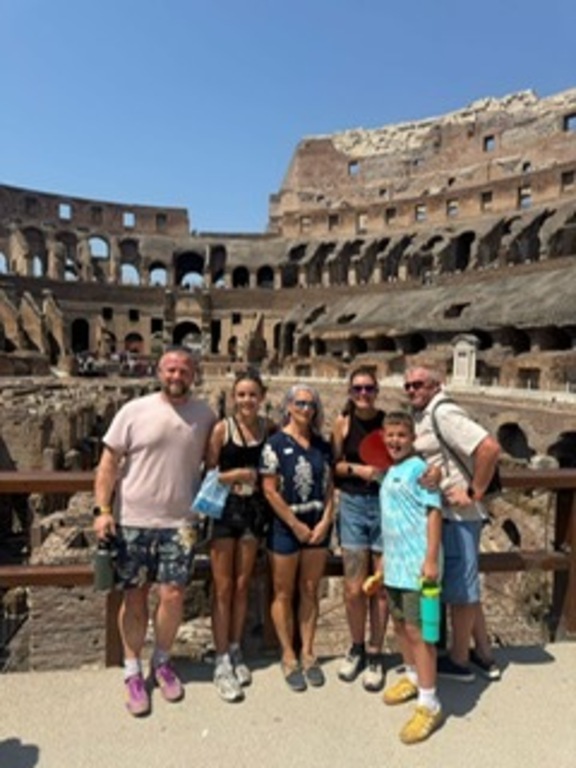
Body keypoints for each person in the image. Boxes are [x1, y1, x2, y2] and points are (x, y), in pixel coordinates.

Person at [93, 347, 216, 717]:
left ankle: (162, 661)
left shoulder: (206, 415)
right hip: (133, 519)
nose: (176, 376)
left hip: (181, 523)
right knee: (134, 598)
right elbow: (108, 463)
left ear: (194, 374)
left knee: (173, 595)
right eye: (170, 369)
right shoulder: (133, 411)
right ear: (159, 372)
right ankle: (132, 670)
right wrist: (102, 510)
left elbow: (214, 466)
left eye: (184, 370)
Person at [404, 365, 501, 682]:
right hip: (447, 514)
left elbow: (489, 448)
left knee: (461, 589)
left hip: (459, 516)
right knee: (465, 584)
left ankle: (459, 661)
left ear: (436, 385)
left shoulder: (443, 413)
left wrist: (474, 492)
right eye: (408, 386)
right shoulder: (425, 414)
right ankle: (484, 654)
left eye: (419, 384)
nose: (412, 390)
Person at [204, 369, 275, 703]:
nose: (247, 400)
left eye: (252, 394)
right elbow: (209, 472)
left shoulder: (268, 429)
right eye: (242, 394)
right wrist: (233, 474)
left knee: (243, 584)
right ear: (234, 398)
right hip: (225, 510)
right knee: (223, 587)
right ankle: (221, 659)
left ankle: (235, 648)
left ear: (262, 397)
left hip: (254, 511)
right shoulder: (222, 429)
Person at [260, 383, 333, 692]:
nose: (305, 409)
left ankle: (308, 653)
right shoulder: (274, 444)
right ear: (288, 406)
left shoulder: (322, 445)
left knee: (310, 589)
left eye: (310, 404)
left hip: (317, 524)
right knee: (283, 592)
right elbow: (269, 490)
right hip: (285, 526)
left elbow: (330, 487)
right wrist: (294, 524)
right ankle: (288, 654)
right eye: (300, 403)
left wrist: (326, 520)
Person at [378, 411, 443, 744]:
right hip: (396, 566)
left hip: (418, 566)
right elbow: (390, 520)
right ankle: (413, 677)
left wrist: (430, 558)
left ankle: (429, 703)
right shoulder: (391, 471)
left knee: (420, 633)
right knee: (401, 626)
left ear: (413, 438)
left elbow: (434, 512)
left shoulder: (419, 469)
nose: (395, 441)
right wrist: (383, 562)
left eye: (401, 435)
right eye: (390, 435)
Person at [331, 366, 388, 691]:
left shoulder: (387, 423)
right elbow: (335, 465)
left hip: (385, 506)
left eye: (368, 388)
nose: (363, 394)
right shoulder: (342, 423)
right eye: (357, 389)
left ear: (377, 391)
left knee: (380, 586)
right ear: (350, 392)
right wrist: (360, 470)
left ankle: (376, 652)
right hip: (352, 505)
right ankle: (356, 647)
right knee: (353, 588)